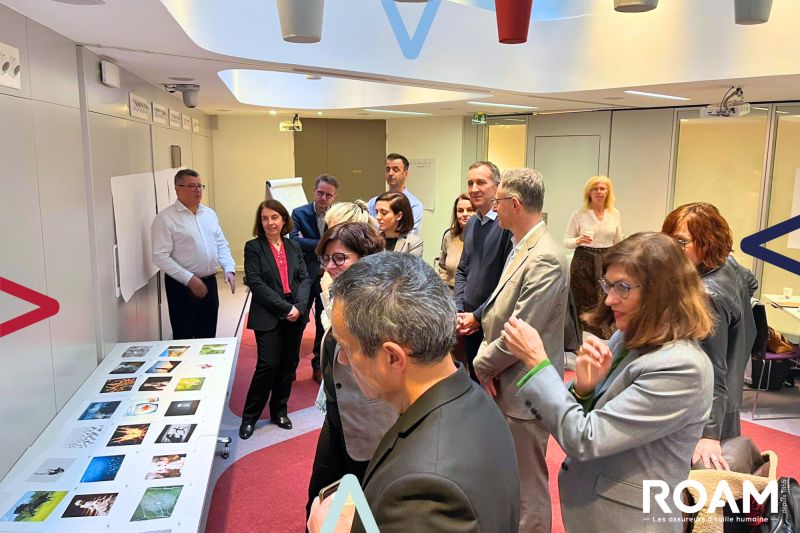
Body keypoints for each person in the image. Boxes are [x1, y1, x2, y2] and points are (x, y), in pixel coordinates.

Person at [501, 232, 714, 532]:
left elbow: (585, 440)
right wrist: (583, 390)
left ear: (662, 292)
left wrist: (538, 363)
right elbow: (580, 420)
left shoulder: (682, 368)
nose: (610, 299)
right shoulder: (628, 338)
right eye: (608, 285)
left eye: (623, 287)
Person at [308, 253, 520, 533]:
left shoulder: (425, 489)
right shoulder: (472, 397)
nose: (344, 361)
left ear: (392, 358)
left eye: (347, 349)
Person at [473, 167, 569, 533]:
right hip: (507, 380)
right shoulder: (521, 247)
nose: (494, 207)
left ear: (514, 204)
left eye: (498, 201)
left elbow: (520, 330)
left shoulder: (544, 256)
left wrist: (482, 366)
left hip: (524, 387)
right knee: (510, 478)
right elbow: (499, 313)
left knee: (528, 487)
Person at [305, 222, 394, 520]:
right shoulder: (339, 293)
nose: (330, 267)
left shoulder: (381, 302)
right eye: (326, 259)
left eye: (339, 258)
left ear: (365, 258)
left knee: (362, 509)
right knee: (318, 498)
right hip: (337, 413)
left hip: (369, 421)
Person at [662, 202, 756, 470]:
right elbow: (751, 281)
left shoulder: (706, 296)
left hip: (706, 408)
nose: (671, 249)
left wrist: (709, 434)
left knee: (697, 484)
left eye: (681, 242)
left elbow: (713, 367)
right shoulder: (729, 264)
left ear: (707, 243)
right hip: (728, 398)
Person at [240, 199, 310, 439]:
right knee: (267, 364)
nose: (270, 222)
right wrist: (286, 307)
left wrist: (299, 306)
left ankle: (279, 411)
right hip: (268, 311)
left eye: (274, 217)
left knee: (288, 364)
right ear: (260, 222)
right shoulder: (253, 247)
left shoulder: (293, 246)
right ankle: (249, 417)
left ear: (283, 220)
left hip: (295, 311)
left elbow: (304, 278)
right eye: (265, 218)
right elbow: (255, 282)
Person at [151, 168, 236, 339]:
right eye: (192, 186)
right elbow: (160, 256)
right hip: (182, 286)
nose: (197, 190)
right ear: (178, 189)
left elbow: (220, 243)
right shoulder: (165, 218)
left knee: (208, 334)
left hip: (209, 282)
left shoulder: (209, 214)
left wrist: (229, 267)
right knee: (184, 336)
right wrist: (189, 279)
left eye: (199, 186)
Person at [455, 161, 513, 381]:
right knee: (474, 379)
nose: (474, 189)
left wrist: (477, 316)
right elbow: (462, 270)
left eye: (481, 182)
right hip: (468, 321)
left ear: (497, 186)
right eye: (470, 183)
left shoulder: (505, 226)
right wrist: (459, 310)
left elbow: (506, 282)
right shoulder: (471, 224)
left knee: (493, 386)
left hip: (492, 322)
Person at [290, 174, 340, 384]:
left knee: (324, 324)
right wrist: (324, 243)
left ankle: (318, 366)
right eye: (320, 193)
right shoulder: (299, 213)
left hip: (328, 277)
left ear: (334, 197)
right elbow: (294, 242)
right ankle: (290, 366)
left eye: (328, 195)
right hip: (306, 276)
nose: (323, 198)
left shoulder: (337, 216)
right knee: (298, 322)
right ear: (314, 191)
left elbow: (340, 243)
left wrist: (309, 242)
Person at [563, 175, 623, 338]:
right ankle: (579, 339)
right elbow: (566, 241)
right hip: (584, 261)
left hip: (606, 260)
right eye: (594, 189)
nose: (598, 192)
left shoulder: (614, 214)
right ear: (588, 193)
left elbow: (618, 241)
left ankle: (607, 337)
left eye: (602, 188)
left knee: (605, 298)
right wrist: (578, 240)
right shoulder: (579, 214)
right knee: (584, 301)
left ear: (608, 192)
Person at [368, 153, 423, 234]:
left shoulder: (414, 205)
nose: (390, 173)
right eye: (387, 169)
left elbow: (409, 234)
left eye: (395, 169)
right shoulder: (373, 202)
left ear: (405, 174)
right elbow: (368, 231)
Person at [438, 193, 474, 291]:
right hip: (449, 293)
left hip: (470, 295)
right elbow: (442, 267)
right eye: (460, 211)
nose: (465, 214)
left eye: (470, 210)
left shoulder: (483, 237)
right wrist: (444, 289)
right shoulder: (449, 236)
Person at [374, 192, 423, 256]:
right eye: (377, 212)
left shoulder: (414, 243)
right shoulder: (372, 238)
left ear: (399, 216)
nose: (378, 217)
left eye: (384, 213)